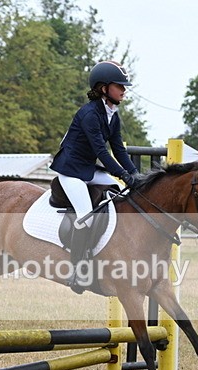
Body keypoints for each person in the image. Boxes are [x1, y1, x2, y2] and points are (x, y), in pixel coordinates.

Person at [50, 60, 142, 292]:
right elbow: (102, 151)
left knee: (121, 194)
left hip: (89, 171)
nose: (124, 89)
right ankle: (77, 270)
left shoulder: (113, 114)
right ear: (103, 88)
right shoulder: (89, 114)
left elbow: (119, 149)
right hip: (71, 171)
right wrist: (122, 173)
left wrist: (134, 175)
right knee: (85, 216)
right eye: (119, 85)